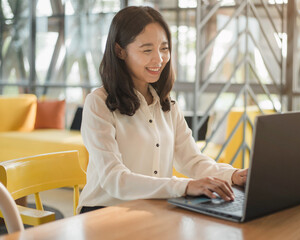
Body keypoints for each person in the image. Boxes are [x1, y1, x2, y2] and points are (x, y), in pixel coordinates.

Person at [78, 6, 248, 214]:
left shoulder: (168, 105)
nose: (159, 59)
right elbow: (114, 179)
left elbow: (191, 160)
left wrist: (233, 175)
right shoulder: (98, 103)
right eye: (147, 50)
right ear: (119, 51)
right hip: (103, 211)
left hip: (151, 208)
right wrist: (184, 186)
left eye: (164, 48)